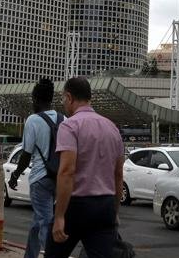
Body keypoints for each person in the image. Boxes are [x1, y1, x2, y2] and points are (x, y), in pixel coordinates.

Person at [46, 77, 126, 258]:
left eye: (63, 99)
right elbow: (118, 175)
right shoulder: (112, 128)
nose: (63, 103)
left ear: (69, 97)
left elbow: (67, 171)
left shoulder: (69, 126)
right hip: (105, 206)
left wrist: (59, 217)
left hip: (75, 206)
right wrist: (114, 212)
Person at [8, 78, 63, 258]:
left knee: (44, 221)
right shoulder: (65, 119)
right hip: (60, 178)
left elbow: (26, 154)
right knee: (39, 221)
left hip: (40, 179)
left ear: (35, 99)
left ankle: (51, 254)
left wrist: (15, 175)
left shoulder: (33, 120)